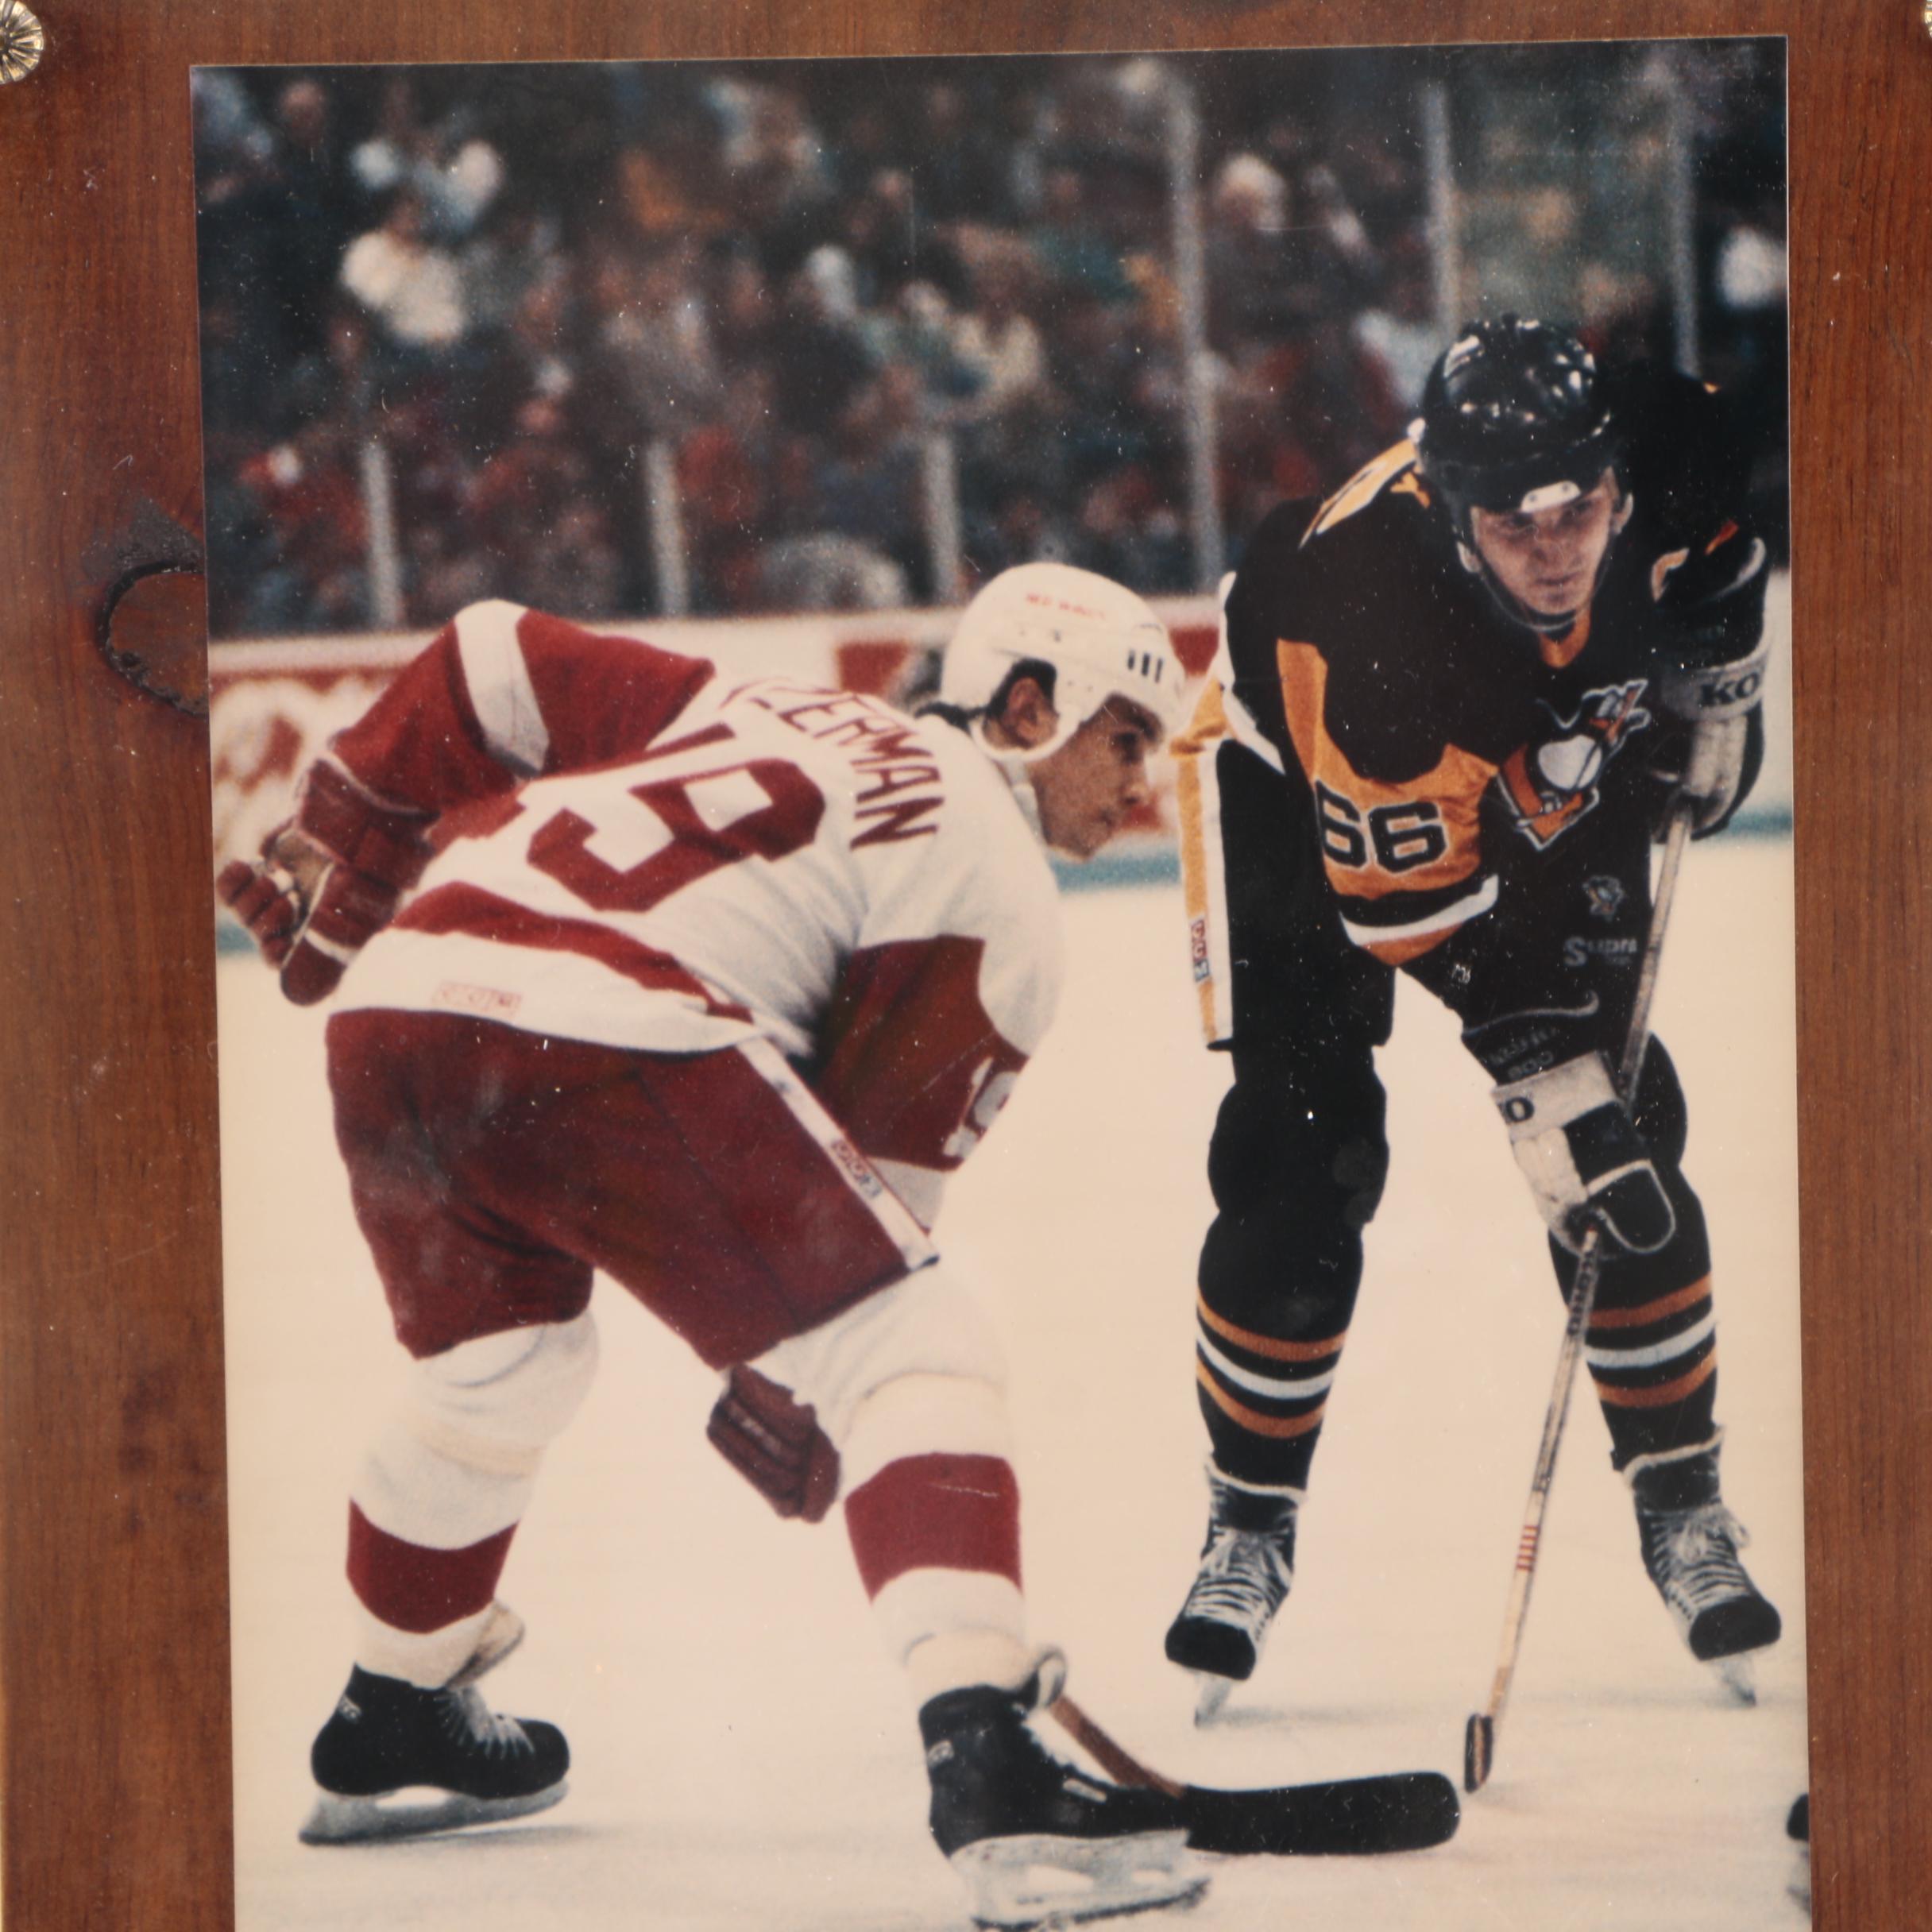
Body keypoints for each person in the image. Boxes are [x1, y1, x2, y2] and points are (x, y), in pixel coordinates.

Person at [218, 566, 1205, 1928]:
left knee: (501, 1371)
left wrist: (356, 832)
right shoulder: (1000, 887)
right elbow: (879, 1213)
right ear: (1027, 706)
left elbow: (489, 653)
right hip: (608, 1025)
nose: (1143, 784)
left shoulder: (756, 701)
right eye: (1126, 737)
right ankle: (992, 1771)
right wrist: (804, 1397)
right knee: (913, 1342)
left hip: (400, 1003)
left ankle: (394, 1713)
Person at [1163, 316, 1781, 1718]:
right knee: (1301, 1151)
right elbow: (1413, 922)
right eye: (1516, 524)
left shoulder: (1674, 443)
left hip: (1536, 743)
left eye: (1583, 511)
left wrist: (1724, 660)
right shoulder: (1361, 633)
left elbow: (1723, 548)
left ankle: (1684, 1503)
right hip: (1295, 791)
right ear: (1453, 513)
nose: (1558, 550)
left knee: (1631, 1134)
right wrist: (1546, 1081)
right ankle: (1248, 1523)